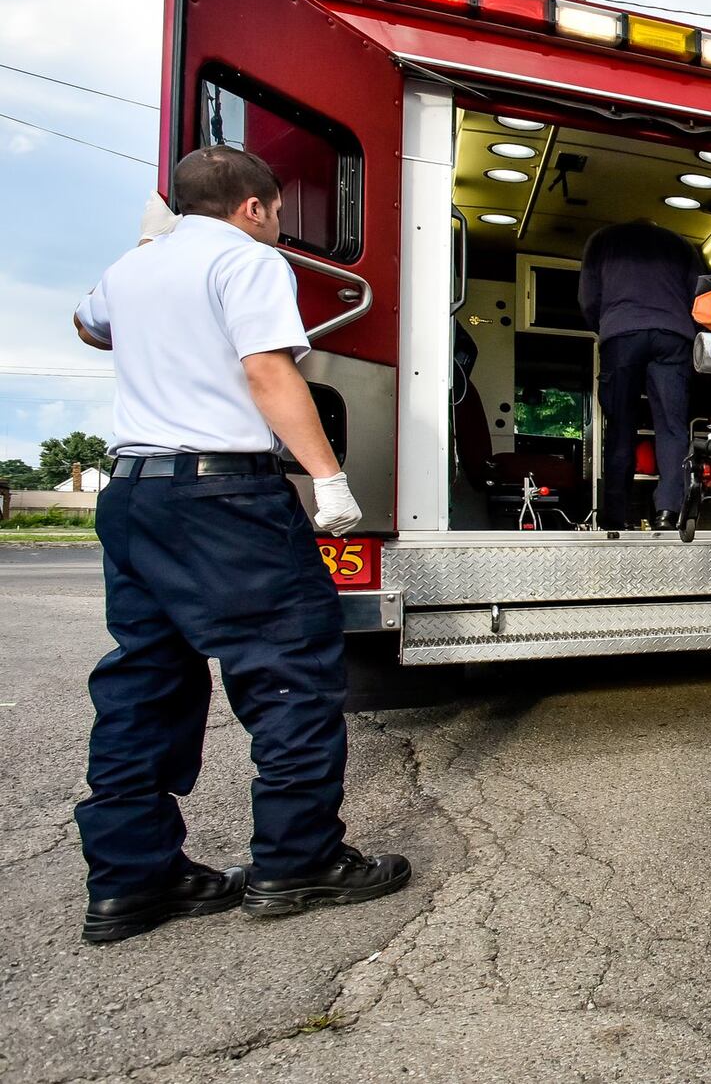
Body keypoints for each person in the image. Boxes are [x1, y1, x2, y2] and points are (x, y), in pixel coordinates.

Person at [71, 146, 410, 944]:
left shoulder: (135, 265)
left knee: (143, 680)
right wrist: (328, 476)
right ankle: (297, 862)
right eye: (277, 211)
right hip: (222, 493)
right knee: (290, 667)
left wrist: (149, 287)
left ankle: (131, 880)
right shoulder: (248, 261)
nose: (278, 222)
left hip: (132, 492)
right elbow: (266, 370)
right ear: (253, 207)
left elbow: (89, 327)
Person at [579, 218, 699, 531]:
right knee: (673, 428)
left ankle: (616, 516)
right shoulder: (681, 244)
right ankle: (669, 511)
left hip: (621, 332)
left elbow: (588, 298)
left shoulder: (603, 236)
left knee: (621, 427)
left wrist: (607, 327)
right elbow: (697, 296)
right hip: (673, 335)